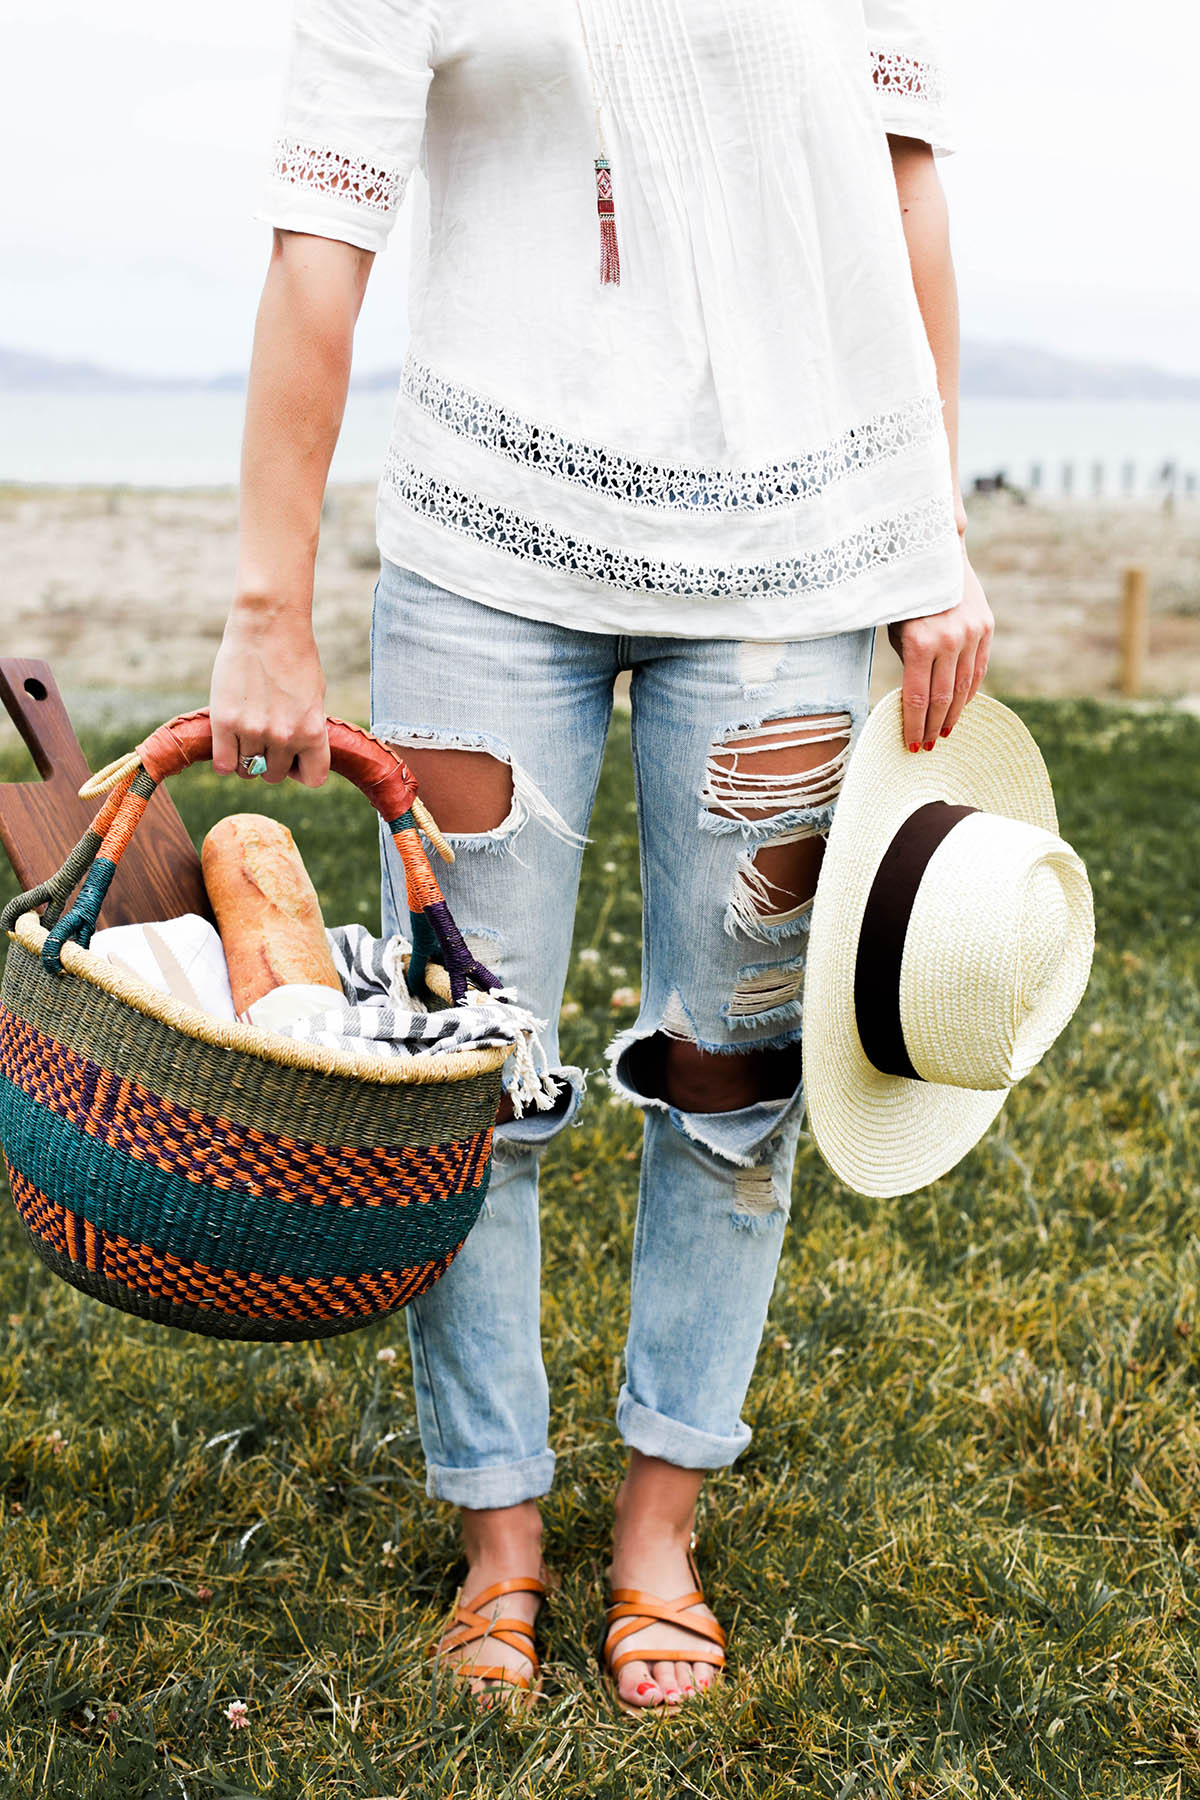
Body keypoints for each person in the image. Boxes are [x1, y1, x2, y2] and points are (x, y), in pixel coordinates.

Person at [209, 0, 992, 1712]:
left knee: (737, 1080)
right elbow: (322, 228)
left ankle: (660, 1536)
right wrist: (267, 608)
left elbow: (902, 181)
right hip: (488, 560)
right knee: (461, 1069)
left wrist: (933, 532)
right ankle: (501, 1541)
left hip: (790, 567)